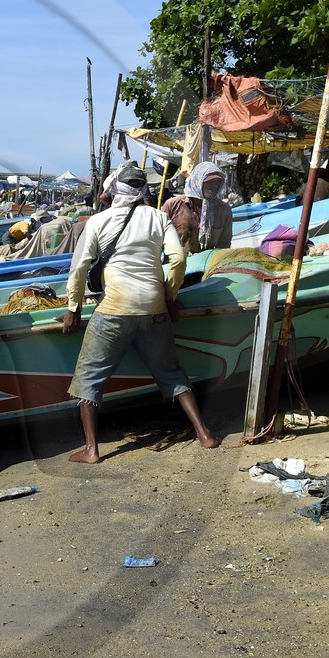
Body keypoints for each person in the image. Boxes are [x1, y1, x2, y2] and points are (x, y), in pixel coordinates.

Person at [59, 163, 219, 461]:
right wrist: (169, 295)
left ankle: (92, 450)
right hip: (154, 308)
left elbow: (79, 267)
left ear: (113, 189)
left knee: (88, 380)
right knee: (171, 373)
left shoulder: (97, 221)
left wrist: (73, 308)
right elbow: (178, 259)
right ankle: (205, 434)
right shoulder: (158, 217)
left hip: (114, 310)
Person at [161, 160, 233, 255]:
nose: (214, 186)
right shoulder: (172, 205)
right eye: (209, 182)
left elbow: (224, 244)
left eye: (217, 183)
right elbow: (160, 240)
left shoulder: (223, 210)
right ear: (198, 181)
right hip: (177, 263)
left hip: (207, 263)